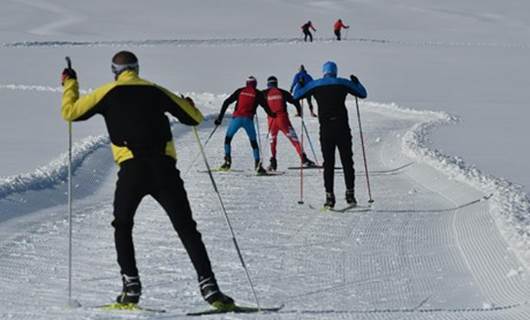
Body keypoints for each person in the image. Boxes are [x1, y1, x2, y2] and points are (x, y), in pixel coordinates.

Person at [61, 51, 234, 310]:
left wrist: (69, 83)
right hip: (164, 170)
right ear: (137, 69)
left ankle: (131, 289)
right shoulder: (156, 90)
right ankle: (210, 288)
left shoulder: (107, 92)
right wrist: (189, 105)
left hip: (132, 170)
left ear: (114, 71)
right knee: (186, 228)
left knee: (122, 225)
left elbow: (70, 112)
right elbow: (194, 119)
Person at [293, 61, 367, 208]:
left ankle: (329, 197)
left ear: (323, 72)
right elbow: (362, 94)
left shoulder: (316, 84)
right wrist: (357, 83)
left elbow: (296, 96)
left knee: (328, 163)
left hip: (326, 129)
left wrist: (300, 84)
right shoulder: (342, 83)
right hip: (342, 128)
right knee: (347, 161)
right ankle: (350, 194)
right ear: (335, 71)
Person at [214, 76, 276, 175]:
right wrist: (273, 114)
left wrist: (219, 118)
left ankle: (227, 162)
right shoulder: (258, 93)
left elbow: (226, 102)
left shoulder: (240, 91)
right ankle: (257, 165)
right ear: (255, 84)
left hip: (236, 119)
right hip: (248, 120)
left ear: (246, 83)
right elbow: (266, 107)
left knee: (228, 139)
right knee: (254, 143)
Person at [263, 76, 315, 171]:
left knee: (272, 141)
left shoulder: (264, 93)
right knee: (294, 140)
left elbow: (255, 100)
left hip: (271, 121)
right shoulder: (282, 92)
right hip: (283, 120)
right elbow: (295, 101)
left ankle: (273, 162)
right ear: (276, 83)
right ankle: (304, 159)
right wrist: (300, 112)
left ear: (268, 84)